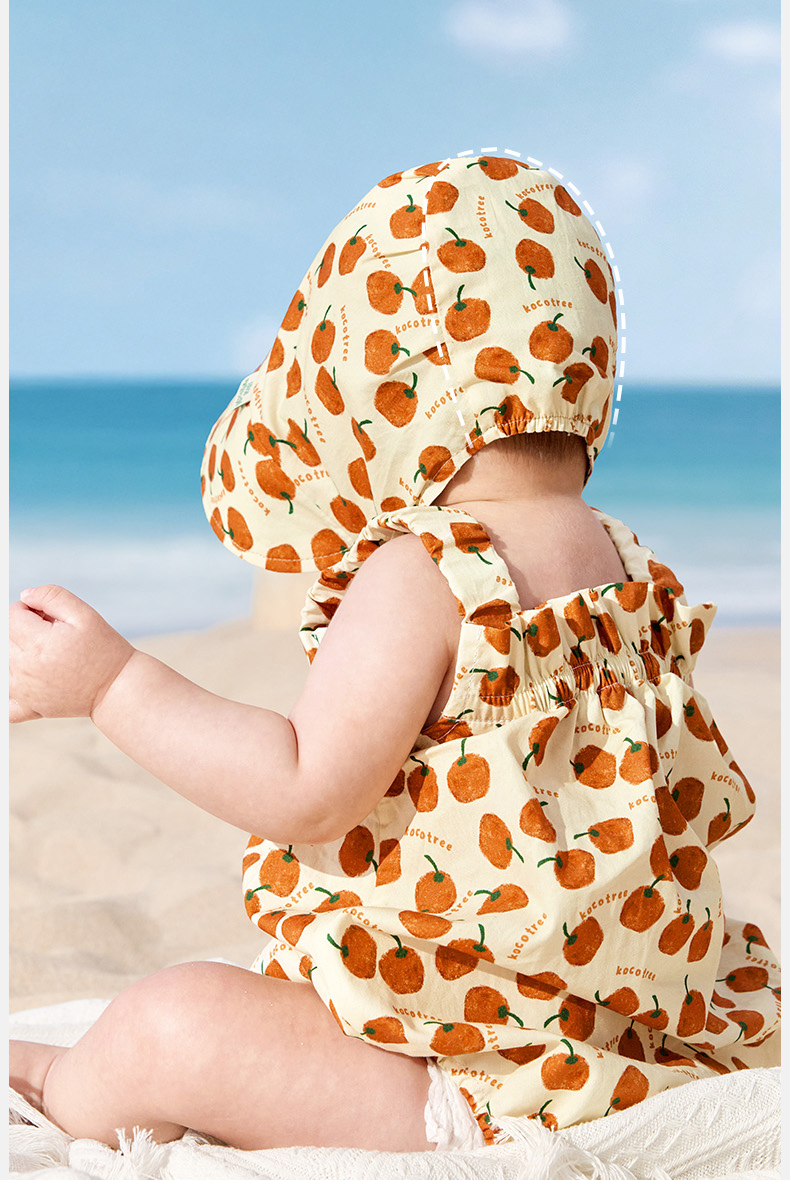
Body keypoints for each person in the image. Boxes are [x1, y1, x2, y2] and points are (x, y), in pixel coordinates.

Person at [9, 155, 780, 1154]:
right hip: (619, 1038)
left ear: (385, 391)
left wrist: (112, 682)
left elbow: (303, 788)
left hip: (467, 1073)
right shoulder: (628, 569)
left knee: (175, 1021)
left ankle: (59, 1086)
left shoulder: (430, 569)